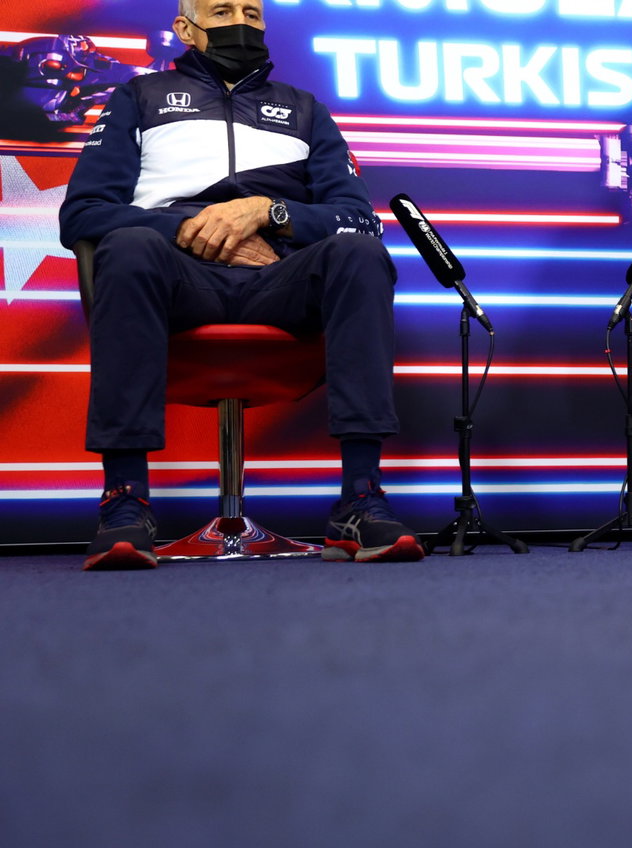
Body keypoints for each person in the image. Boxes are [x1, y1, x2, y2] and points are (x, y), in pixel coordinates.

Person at [60, 0, 421, 569]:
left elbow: (358, 216)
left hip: (276, 277)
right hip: (177, 280)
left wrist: (268, 212)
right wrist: (187, 227)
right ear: (185, 29)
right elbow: (82, 214)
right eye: (223, 10)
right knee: (128, 245)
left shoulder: (305, 110)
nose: (241, 24)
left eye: (252, 13)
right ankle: (125, 501)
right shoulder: (139, 98)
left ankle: (360, 498)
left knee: (360, 253)